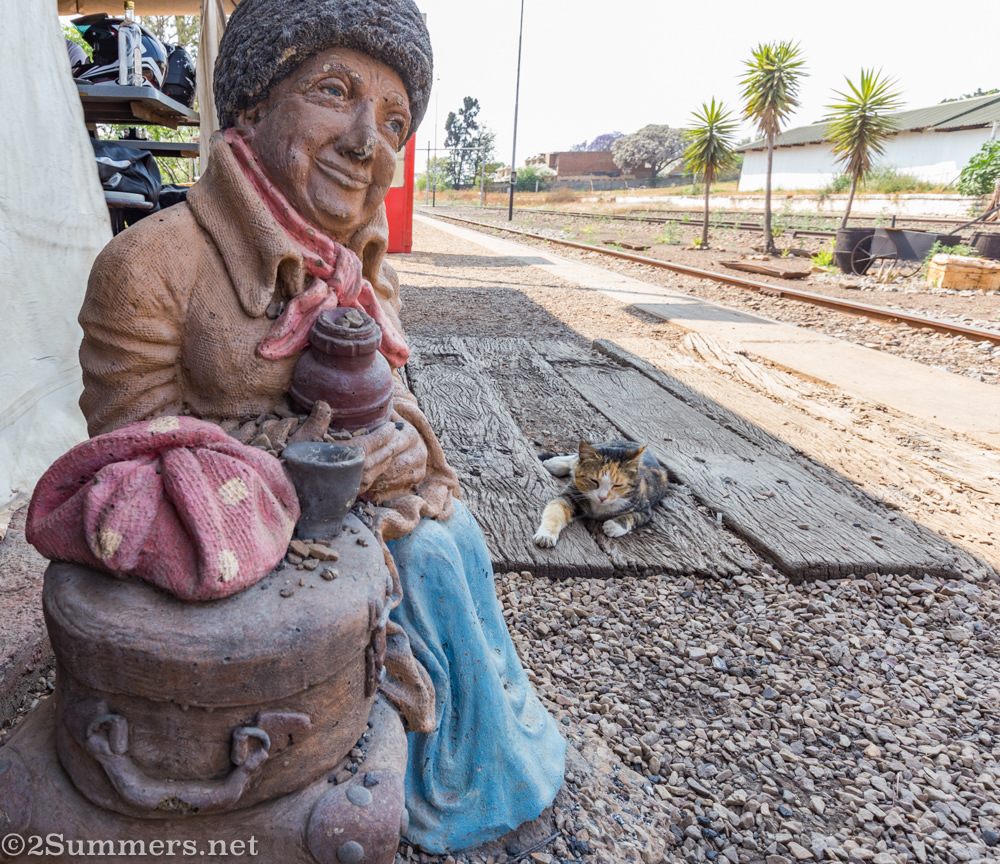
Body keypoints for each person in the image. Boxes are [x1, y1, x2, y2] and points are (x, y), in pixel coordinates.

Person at [77, 0, 565, 853]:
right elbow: (124, 452)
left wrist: (408, 437)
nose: (364, 142)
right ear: (255, 106)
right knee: (416, 556)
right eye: (335, 91)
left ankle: (457, 765)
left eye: (393, 120)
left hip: (345, 506)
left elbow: (392, 394)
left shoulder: (356, 271)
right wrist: (319, 464)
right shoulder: (149, 265)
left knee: (451, 540)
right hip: (223, 532)